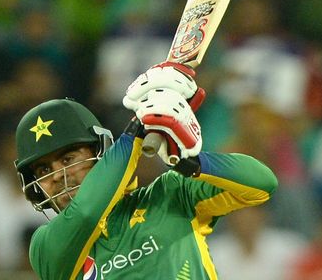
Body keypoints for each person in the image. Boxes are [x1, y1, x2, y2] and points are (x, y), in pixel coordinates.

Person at [14, 62, 278, 279]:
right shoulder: (44, 246)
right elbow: (86, 213)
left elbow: (262, 182)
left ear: (101, 152)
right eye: (44, 170)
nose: (58, 175)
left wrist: (191, 162)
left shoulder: (170, 193)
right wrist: (138, 128)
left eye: (68, 158)